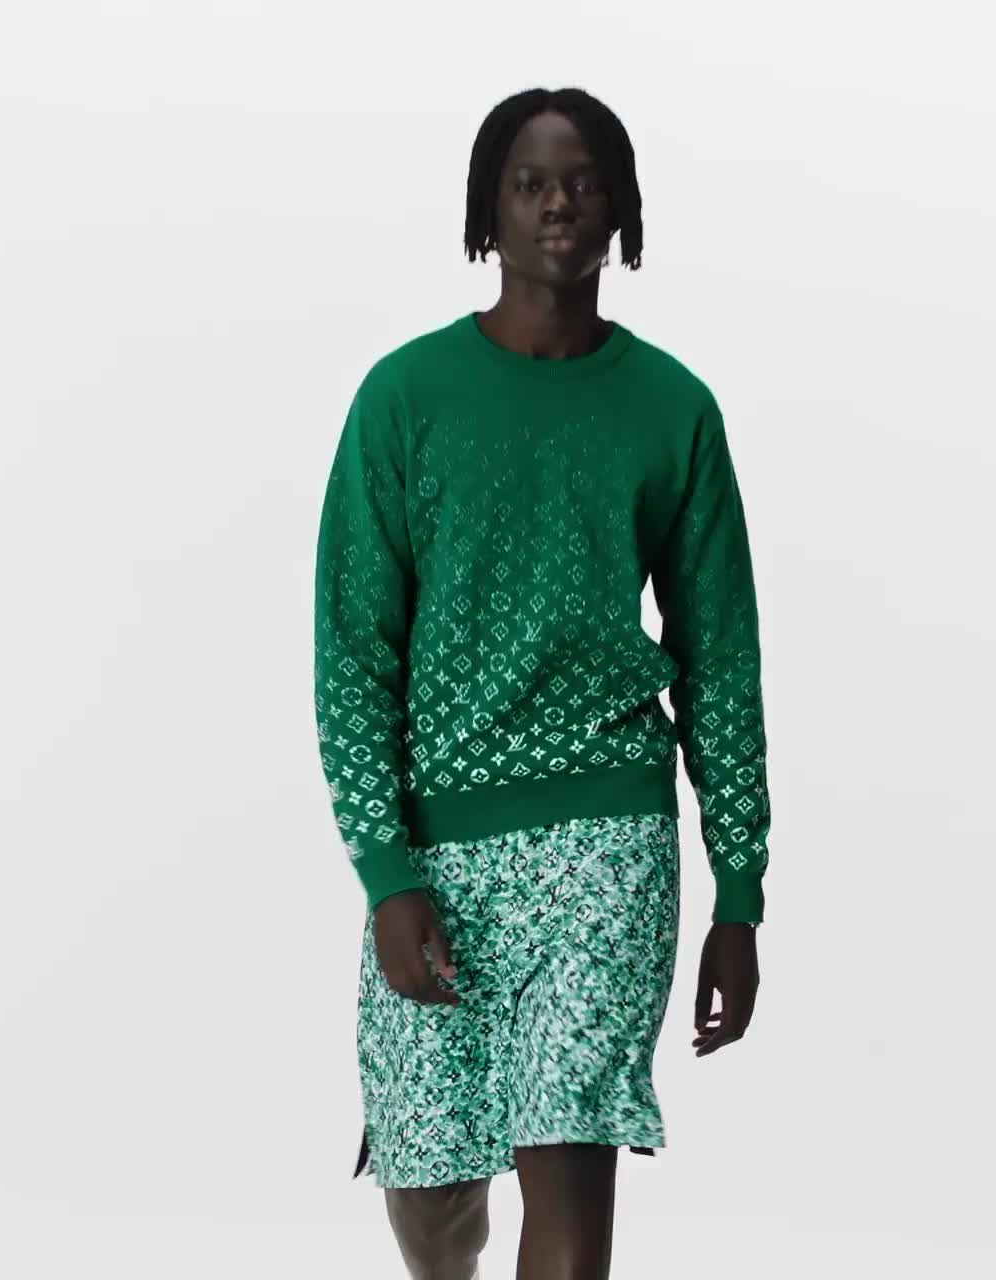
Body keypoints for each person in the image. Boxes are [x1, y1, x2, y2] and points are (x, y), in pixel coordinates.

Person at [314, 85, 771, 1280]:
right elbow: (352, 654)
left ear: (621, 209)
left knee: (569, 1151)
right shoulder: (404, 398)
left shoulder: (672, 409)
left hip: (607, 842)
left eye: (581, 181)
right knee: (431, 1194)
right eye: (528, 182)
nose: (557, 202)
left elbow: (721, 659)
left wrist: (737, 891)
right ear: (488, 210)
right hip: (439, 849)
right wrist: (386, 872)